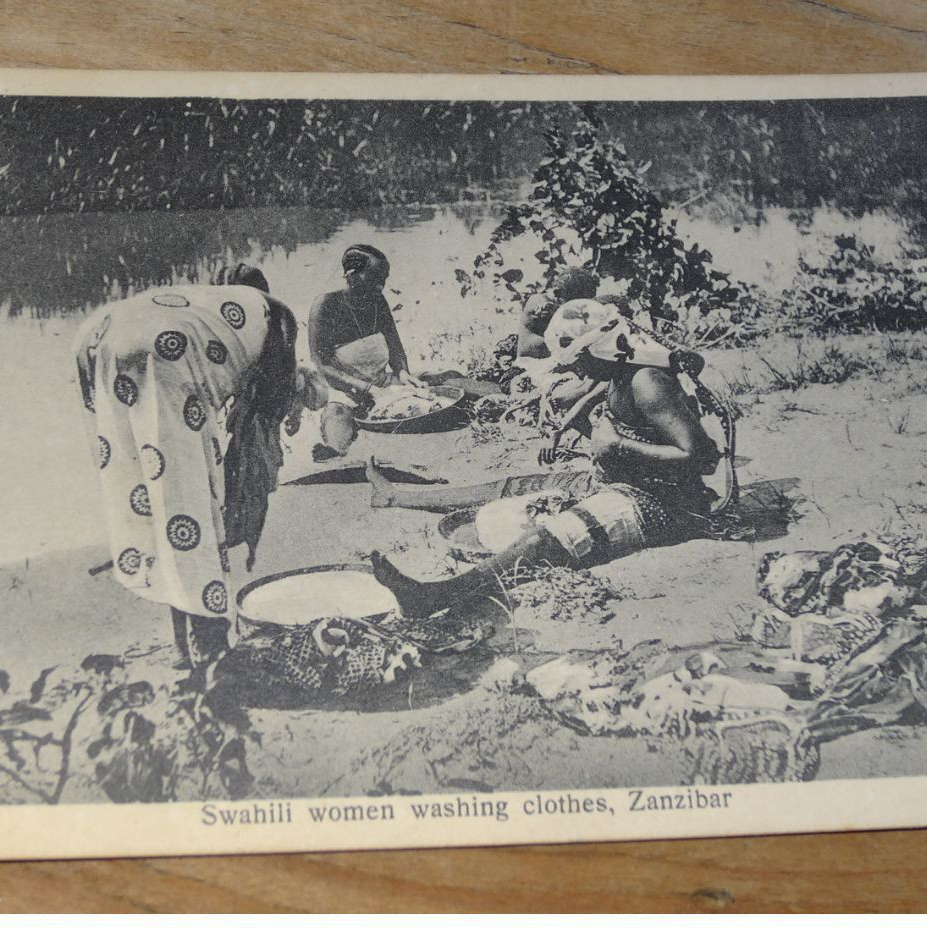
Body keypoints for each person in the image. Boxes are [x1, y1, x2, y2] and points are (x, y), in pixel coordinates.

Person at [369, 296, 724, 618]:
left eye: (580, 360)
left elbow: (701, 457)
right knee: (515, 487)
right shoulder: (619, 371)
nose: (578, 371)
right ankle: (399, 496)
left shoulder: (647, 381)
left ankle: (436, 596)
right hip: (622, 480)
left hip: (664, 505)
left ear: (599, 347)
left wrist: (620, 446)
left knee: (546, 538)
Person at [74, 264, 323, 661]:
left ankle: (181, 646)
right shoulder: (277, 315)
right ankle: (211, 647)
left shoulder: (199, 305)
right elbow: (270, 406)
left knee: (153, 495)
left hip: (96, 337)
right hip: (164, 354)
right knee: (189, 504)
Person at [307, 244, 416, 457]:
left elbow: (395, 347)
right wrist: (367, 390)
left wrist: (403, 372)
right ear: (352, 275)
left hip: (384, 382)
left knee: (445, 380)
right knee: (338, 430)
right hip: (345, 392)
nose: (380, 286)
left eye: (383, 279)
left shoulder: (377, 301)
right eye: (374, 279)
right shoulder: (326, 305)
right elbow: (322, 365)